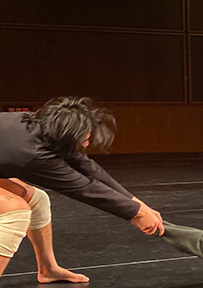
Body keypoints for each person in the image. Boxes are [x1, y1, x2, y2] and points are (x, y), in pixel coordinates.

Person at [0, 97, 164, 236]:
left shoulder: (43, 126)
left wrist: (139, 204)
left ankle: (48, 270)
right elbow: (84, 189)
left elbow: (89, 167)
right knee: (17, 212)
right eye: (85, 139)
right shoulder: (34, 155)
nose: (87, 143)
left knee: (37, 200)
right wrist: (136, 214)